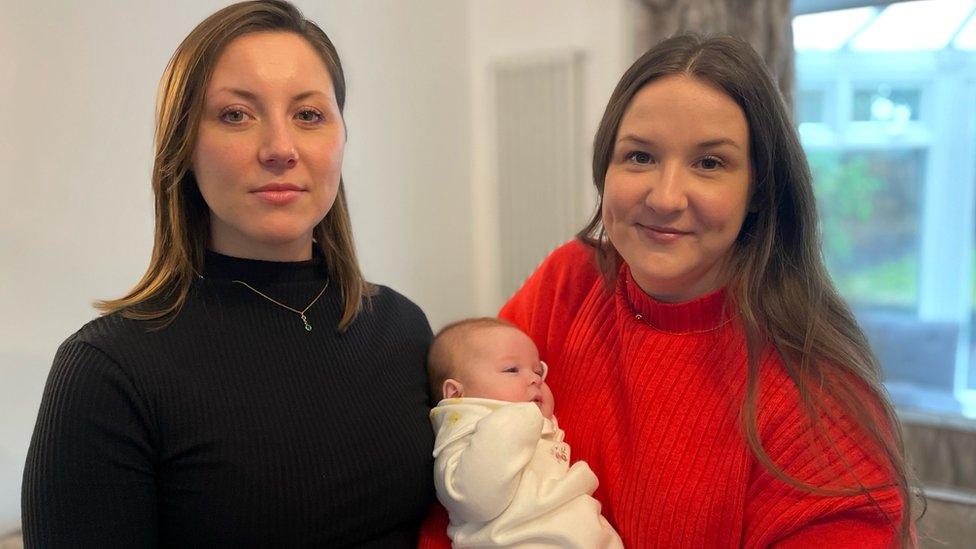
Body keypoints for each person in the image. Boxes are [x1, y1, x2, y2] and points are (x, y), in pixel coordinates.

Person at [421, 33, 916, 548]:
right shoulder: (570, 282)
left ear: (759, 191)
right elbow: (456, 458)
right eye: (639, 156)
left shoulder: (818, 395)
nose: (665, 196)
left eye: (710, 163)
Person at [22, 2, 435, 546]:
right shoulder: (109, 372)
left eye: (308, 115)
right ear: (183, 147)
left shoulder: (402, 329)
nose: (280, 149)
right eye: (236, 115)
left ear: (340, 135)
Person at [426, 318, 623, 548]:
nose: (535, 379)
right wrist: (519, 417)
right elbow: (477, 500)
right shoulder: (463, 438)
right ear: (456, 394)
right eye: (512, 370)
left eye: (539, 371)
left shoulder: (536, 423)